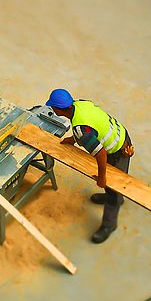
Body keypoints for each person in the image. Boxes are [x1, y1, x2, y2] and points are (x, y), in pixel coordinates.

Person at [44, 89, 134, 244]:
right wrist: (73, 140)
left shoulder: (81, 131)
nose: (51, 109)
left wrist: (102, 177)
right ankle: (113, 197)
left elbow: (101, 154)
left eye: (52, 107)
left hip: (118, 150)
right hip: (121, 134)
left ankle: (109, 224)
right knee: (112, 188)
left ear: (59, 110)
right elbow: (91, 125)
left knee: (113, 189)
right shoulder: (80, 104)